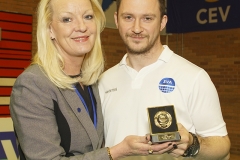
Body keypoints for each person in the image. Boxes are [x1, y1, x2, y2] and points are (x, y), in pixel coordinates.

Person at [10, 0, 173, 159]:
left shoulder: (92, 82)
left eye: (88, 17)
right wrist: (116, 152)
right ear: (50, 29)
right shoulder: (33, 84)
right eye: (67, 19)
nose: (81, 27)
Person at [98, 0, 231, 159]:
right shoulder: (104, 81)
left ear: (162, 22)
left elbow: (222, 146)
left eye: (147, 18)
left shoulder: (194, 77)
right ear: (117, 20)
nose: (137, 28)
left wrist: (192, 144)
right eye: (128, 17)